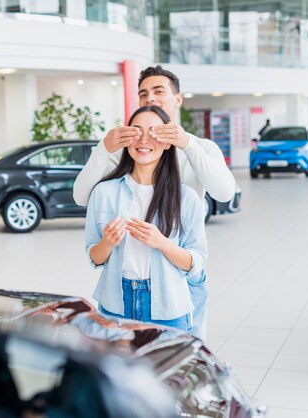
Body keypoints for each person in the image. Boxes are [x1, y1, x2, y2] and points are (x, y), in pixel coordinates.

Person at [74, 65, 235, 339]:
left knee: (183, 355)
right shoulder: (130, 150)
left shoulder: (200, 147)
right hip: (124, 283)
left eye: (158, 91)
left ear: (178, 99)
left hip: (180, 271)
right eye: (143, 93)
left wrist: (185, 143)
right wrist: (104, 148)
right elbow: (82, 196)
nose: (150, 98)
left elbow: (224, 193)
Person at [85, 105, 207, 332]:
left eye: (153, 132)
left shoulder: (187, 197)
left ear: (167, 142)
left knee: (166, 369)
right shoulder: (103, 193)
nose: (143, 140)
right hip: (115, 307)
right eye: (136, 131)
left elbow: (196, 262)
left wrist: (162, 243)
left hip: (168, 309)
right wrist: (107, 243)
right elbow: (94, 256)